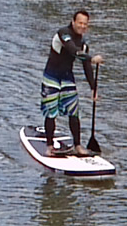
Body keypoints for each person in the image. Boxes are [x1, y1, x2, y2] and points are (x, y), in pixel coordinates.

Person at [41, 10, 105, 157]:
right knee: (51, 112)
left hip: (67, 77)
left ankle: (77, 145)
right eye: (80, 23)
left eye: (85, 24)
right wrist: (91, 58)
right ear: (73, 21)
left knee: (74, 112)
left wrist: (93, 88)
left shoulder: (83, 44)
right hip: (51, 76)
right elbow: (73, 50)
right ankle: (49, 146)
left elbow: (86, 67)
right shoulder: (63, 33)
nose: (82, 26)